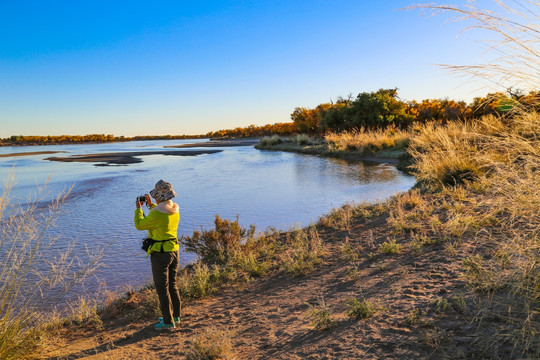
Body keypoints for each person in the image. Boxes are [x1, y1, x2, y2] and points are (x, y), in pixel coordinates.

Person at [134, 179, 181, 331]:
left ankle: (168, 322)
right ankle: (175, 317)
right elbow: (160, 214)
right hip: (174, 250)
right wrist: (150, 206)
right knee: (172, 285)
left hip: (161, 254)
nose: (154, 198)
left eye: (155, 197)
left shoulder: (157, 214)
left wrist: (139, 210)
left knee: (162, 289)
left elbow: (140, 225)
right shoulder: (174, 209)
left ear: (159, 196)